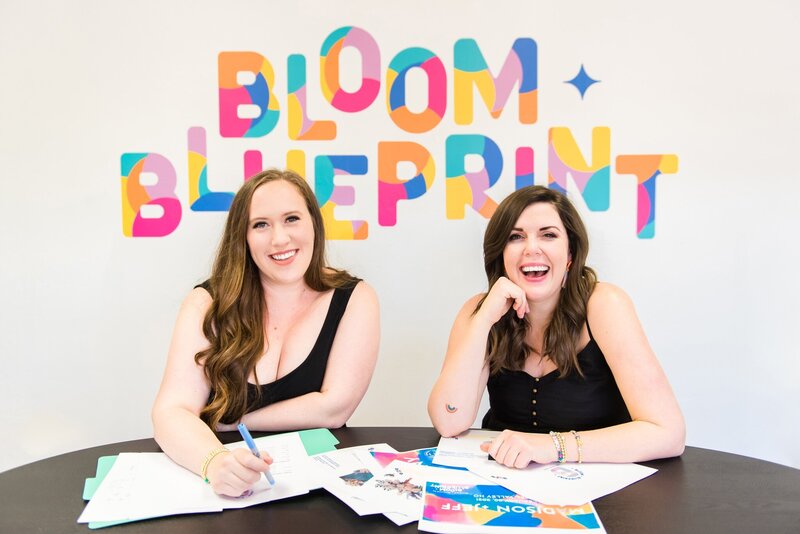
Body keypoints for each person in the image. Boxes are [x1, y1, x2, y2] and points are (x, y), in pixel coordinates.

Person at [152, 169, 380, 496]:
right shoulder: (205, 302)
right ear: (242, 237)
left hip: (320, 493)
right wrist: (214, 462)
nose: (279, 239)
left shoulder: (355, 297)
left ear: (314, 223)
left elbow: (335, 407)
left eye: (291, 219)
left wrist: (230, 421)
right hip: (226, 492)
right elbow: (170, 411)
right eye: (260, 224)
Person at [428, 185, 684, 468]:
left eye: (548, 235)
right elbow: (448, 421)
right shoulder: (480, 311)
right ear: (501, 253)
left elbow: (668, 433)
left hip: (600, 486)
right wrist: (483, 322)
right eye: (516, 237)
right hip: (505, 481)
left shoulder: (604, 304)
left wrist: (550, 447)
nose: (531, 248)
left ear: (570, 253)